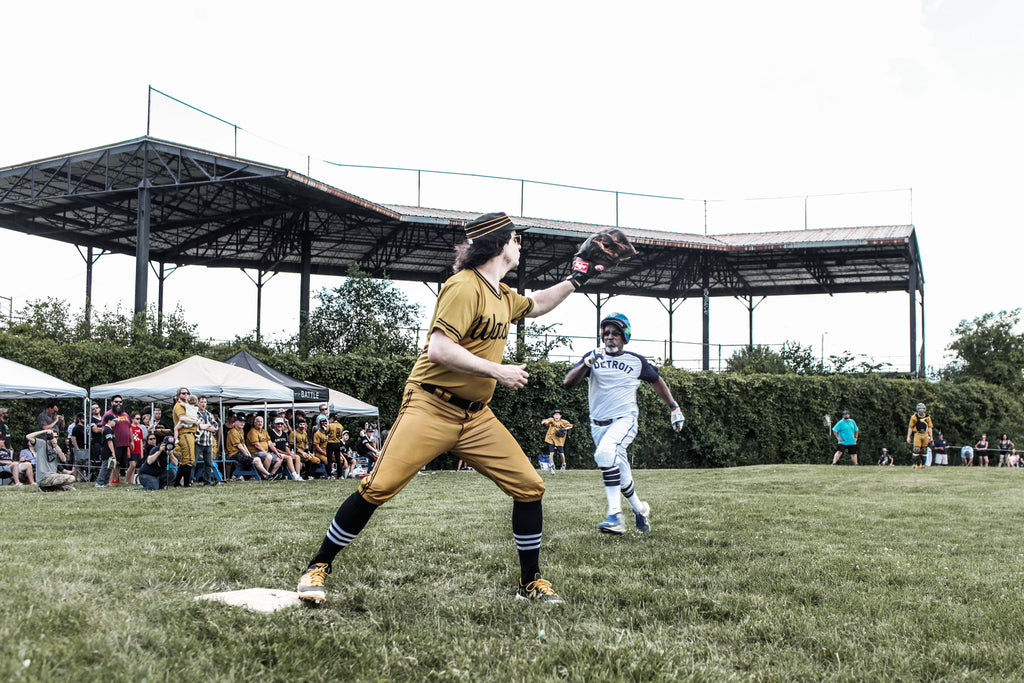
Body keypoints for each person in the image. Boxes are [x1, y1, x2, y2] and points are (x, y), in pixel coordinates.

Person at [297, 211, 586, 605]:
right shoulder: (463, 286)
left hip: (476, 417)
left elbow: (536, 304)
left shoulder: (502, 294)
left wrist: (577, 278)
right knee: (377, 487)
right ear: (502, 243)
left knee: (530, 487)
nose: (521, 244)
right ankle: (318, 566)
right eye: (517, 238)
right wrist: (497, 371)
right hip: (430, 405)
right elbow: (439, 348)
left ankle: (530, 582)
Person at [563, 312, 684, 535]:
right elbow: (568, 382)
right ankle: (640, 510)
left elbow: (657, 381)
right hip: (597, 425)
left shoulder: (636, 361)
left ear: (625, 336)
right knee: (622, 475)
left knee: (604, 454)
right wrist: (586, 363)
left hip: (624, 420)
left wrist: (674, 407)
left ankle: (615, 516)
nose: (609, 337)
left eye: (615, 333)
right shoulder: (593, 357)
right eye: (606, 333)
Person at [225, 415, 271, 480]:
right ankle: (268, 475)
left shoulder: (241, 431)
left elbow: (244, 445)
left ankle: (266, 476)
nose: (242, 424)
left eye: (243, 422)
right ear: (235, 422)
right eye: (240, 422)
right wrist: (248, 455)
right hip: (234, 454)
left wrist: (249, 454)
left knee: (257, 458)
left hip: (239, 453)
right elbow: (240, 446)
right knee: (256, 460)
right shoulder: (233, 432)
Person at [100, 397, 131, 485]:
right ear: (111, 403)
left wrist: (131, 441)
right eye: (116, 402)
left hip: (124, 443)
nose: (118, 403)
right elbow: (103, 428)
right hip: (114, 443)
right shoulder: (108, 414)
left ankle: (116, 479)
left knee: (120, 463)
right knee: (112, 462)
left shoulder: (125, 415)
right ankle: (108, 480)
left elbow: (129, 428)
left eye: (120, 402)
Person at [172, 387, 199, 487]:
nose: (186, 395)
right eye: (183, 393)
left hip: (190, 433)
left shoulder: (188, 406)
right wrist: (194, 421)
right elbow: (183, 418)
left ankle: (177, 483)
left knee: (184, 460)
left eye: (187, 393)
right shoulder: (179, 406)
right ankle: (187, 483)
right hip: (185, 433)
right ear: (179, 395)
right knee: (189, 459)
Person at [194, 396, 220, 486]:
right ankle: (190, 481)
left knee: (208, 463)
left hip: (208, 442)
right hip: (198, 442)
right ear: (198, 403)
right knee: (194, 462)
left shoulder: (209, 414)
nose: (203, 404)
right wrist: (208, 427)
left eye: (205, 402)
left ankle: (207, 481)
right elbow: (198, 426)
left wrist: (206, 427)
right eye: (201, 402)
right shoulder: (195, 414)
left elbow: (215, 427)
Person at [269, 417, 304, 481]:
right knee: (289, 458)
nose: (280, 425)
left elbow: (286, 446)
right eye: (278, 424)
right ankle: (294, 475)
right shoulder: (271, 433)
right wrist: (286, 453)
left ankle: (298, 475)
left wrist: (289, 453)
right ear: (275, 425)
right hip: (276, 453)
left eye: (281, 424)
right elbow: (274, 448)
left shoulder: (284, 434)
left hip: (284, 453)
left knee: (297, 457)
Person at [906, 403, 933, 469]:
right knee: (916, 449)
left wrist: (931, 437)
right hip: (917, 434)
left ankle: (923, 464)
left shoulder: (927, 417)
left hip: (925, 434)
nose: (921, 410)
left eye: (922, 409)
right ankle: (914, 464)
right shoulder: (914, 417)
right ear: (917, 409)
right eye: (920, 409)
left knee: (924, 450)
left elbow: (930, 427)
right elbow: (910, 427)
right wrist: (908, 437)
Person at [70, 412, 90, 481]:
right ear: (79, 419)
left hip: (85, 448)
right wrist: (77, 448)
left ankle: (82, 478)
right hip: (79, 448)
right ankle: (74, 478)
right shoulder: (76, 428)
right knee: (76, 464)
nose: (85, 420)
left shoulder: (84, 427)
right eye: (83, 418)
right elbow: (73, 438)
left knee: (83, 464)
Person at [126, 413, 144, 485]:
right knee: (132, 465)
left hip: (138, 449)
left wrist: (141, 452)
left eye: (139, 419)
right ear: (132, 419)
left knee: (134, 466)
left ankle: (131, 480)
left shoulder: (139, 429)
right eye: (137, 418)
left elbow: (140, 441)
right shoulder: (130, 428)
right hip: (131, 449)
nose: (139, 420)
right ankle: (127, 479)